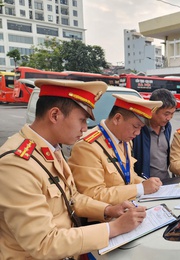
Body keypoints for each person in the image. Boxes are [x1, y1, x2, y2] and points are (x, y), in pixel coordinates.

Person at [0, 79, 146, 259]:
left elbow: (71, 198)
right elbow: (43, 243)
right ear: (54, 115)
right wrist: (113, 227)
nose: (85, 128)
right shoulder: (16, 164)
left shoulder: (50, 148)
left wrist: (108, 209)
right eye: (82, 120)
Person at [68, 94, 163, 205]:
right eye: (135, 126)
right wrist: (140, 188)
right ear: (117, 119)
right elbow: (93, 194)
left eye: (141, 128)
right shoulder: (87, 147)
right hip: (106, 217)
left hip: (128, 208)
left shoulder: (125, 140)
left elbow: (127, 177)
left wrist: (145, 183)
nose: (137, 133)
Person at [132, 88, 176, 181]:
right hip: (145, 184)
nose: (169, 118)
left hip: (165, 181)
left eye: (172, 114)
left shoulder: (167, 127)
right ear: (153, 110)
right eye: (166, 114)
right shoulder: (139, 129)